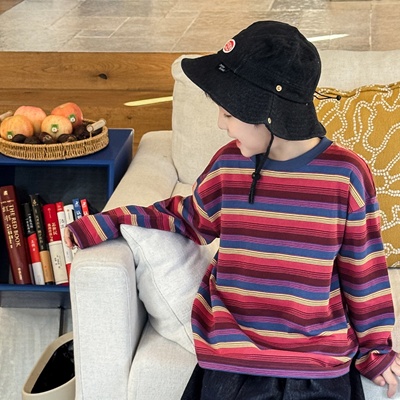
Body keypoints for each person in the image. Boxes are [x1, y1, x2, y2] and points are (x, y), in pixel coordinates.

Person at [65, 21, 400, 399]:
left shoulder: (347, 175)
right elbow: (185, 218)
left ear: (267, 112)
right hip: (231, 362)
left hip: (317, 365)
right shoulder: (229, 165)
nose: (220, 123)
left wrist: (376, 349)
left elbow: (364, 270)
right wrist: (108, 222)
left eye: (228, 113)